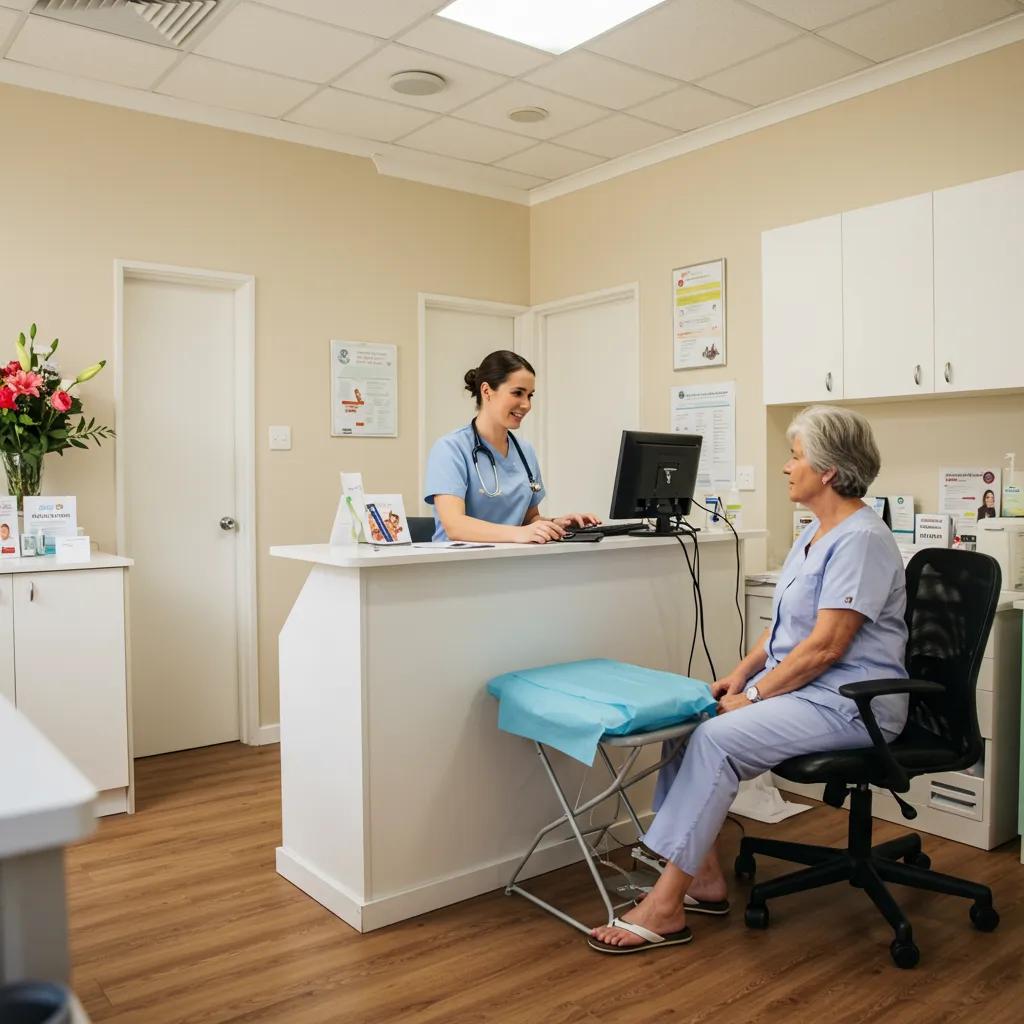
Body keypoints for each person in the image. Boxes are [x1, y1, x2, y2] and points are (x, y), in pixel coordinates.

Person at [589, 405, 910, 954]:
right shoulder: (816, 532)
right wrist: (736, 677)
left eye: (795, 455)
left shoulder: (861, 540)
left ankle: (666, 907)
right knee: (687, 719)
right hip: (808, 690)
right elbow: (786, 630)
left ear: (828, 470)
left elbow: (828, 647)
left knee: (714, 738)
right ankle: (704, 876)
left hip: (851, 703)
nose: (787, 467)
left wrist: (755, 695)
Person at [424, 350, 600, 543]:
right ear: (486, 391)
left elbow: (528, 519)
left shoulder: (525, 451)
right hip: (456, 566)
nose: (526, 405)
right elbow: (455, 527)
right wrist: (520, 534)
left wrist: (555, 524)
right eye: (517, 393)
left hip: (510, 562)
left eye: (530, 395)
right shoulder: (450, 449)